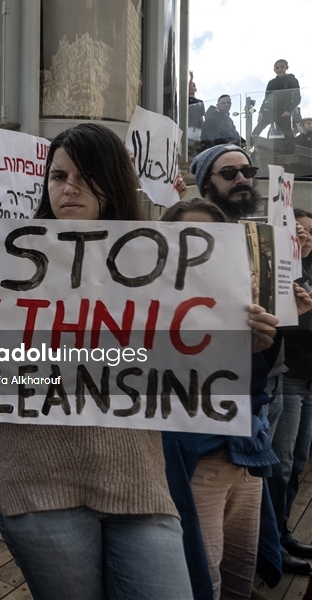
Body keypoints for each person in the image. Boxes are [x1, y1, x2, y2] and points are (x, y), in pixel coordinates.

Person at [0, 123, 252, 599]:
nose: (68, 188)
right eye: (58, 176)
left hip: (137, 480)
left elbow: (188, 365)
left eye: (85, 175)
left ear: (113, 183)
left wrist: (249, 340)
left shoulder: (157, 265)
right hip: (36, 479)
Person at [159, 198, 285, 599]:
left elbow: (252, 383)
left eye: (209, 238)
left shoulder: (241, 304)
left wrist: (260, 346)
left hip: (245, 452)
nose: (196, 248)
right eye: (184, 238)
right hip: (195, 461)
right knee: (204, 575)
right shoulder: (149, 309)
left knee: (239, 572)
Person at [267, 208, 312, 576]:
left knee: (296, 462)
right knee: (279, 467)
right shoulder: (286, 273)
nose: (308, 237)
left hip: (307, 379)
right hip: (291, 376)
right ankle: (272, 544)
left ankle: (281, 533)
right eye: (302, 231)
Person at [189, 143, 260, 222]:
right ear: (206, 182)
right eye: (229, 172)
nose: (242, 179)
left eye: (247, 171)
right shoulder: (190, 226)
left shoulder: (251, 231)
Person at [252, 59, 301, 146]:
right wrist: (261, 112)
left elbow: (297, 98)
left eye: (282, 67)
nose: (279, 69)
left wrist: (288, 110)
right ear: (274, 70)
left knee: (288, 134)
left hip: (283, 111)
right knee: (257, 130)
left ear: (287, 67)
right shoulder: (271, 83)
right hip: (270, 111)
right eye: (277, 68)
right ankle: (248, 147)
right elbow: (266, 99)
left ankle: (292, 153)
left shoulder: (292, 80)